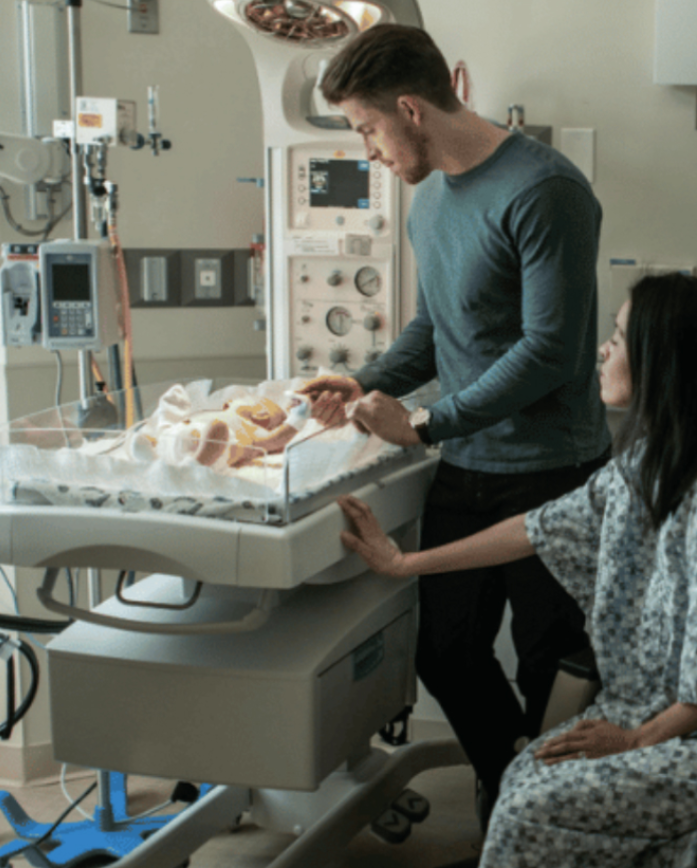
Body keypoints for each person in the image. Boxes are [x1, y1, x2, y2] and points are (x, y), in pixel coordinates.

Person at [298, 24, 612, 825]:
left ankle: (547, 819)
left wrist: (427, 423)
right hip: (466, 470)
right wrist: (363, 379)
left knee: (556, 668)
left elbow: (547, 350)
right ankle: (518, 789)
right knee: (445, 652)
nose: (367, 150)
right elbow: (433, 330)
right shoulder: (430, 203)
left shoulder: (546, 191)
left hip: (554, 471)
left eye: (366, 128)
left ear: (410, 108)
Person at [337, 271, 696, 866]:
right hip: (641, 710)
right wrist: (405, 563)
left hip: (674, 733)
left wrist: (634, 740)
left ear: (664, 359)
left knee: (530, 803)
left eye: (620, 336)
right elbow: (534, 528)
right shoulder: (641, 470)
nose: (604, 349)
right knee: (522, 781)